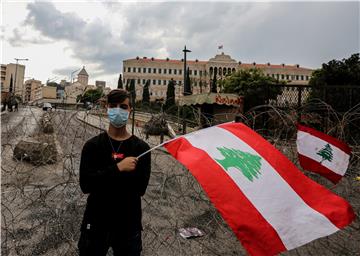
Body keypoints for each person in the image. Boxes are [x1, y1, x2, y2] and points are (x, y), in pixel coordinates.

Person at [78, 89, 151, 256]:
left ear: (130, 110)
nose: (118, 110)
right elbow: (86, 184)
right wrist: (118, 168)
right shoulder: (93, 146)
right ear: (107, 109)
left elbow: (140, 189)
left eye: (123, 107)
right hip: (96, 222)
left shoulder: (141, 149)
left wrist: (103, 177)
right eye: (113, 106)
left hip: (128, 225)